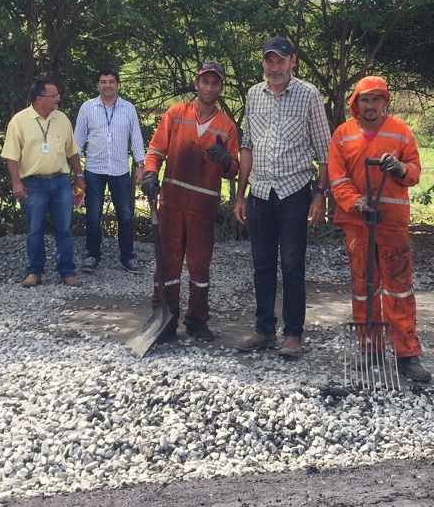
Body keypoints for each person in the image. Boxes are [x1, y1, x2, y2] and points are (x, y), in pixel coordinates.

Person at [327, 75, 431, 382]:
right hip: (358, 222)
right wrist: (358, 203)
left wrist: (399, 168)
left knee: (399, 286)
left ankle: (407, 353)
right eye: (364, 100)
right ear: (355, 103)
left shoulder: (399, 131)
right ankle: (368, 347)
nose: (370, 105)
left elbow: (414, 170)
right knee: (364, 286)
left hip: (392, 223)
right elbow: (337, 177)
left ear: (385, 102)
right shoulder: (343, 134)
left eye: (376, 99)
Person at [233, 37, 331, 358]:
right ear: (263, 63)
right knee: (262, 265)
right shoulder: (253, 95)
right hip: (260, 192)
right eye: (269, 61)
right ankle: (264, 330)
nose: (274, 67)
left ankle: (293, 334)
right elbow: (246, 146)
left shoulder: (308, 95)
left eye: (280, 61)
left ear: (293, 62)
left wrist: (320, 195)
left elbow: (325, 151)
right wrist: (240, 194)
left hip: (294, 192)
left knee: (292, 266)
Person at [139, 62, 240, 342]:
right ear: (196, 84)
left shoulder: (226, 126)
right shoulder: (175, 114)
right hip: (171, 203)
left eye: (215, 83)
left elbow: (234, 170)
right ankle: (165, 319)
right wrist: (150, 173)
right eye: (204, 82)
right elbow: (156, 150)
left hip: (203, 208)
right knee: (167, 264)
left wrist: (227, 160)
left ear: (220, 88)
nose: (209, 87)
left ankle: (197, 320)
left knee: (199, 266)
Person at [1, 78, 86, 288]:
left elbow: (72, 150)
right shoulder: (19, 121)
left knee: (64, 229)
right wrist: (16, 183)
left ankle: (67, 271)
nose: (58, 99)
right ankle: (34, 272)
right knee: (35, 229)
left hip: (60, 181)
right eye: (54, 95)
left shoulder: (62, 119)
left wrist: (79, 176)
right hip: (33, 183)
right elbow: (11, 156)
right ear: (40, 98)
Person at [74, 68, 147, 273]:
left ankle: (127, 257)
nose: (107, 85)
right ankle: (92, 255)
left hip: (120, 170)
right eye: (103, 81)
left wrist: (141, 166)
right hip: (94, 171)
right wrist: (77, 172)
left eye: (111, 81)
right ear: (97, 85)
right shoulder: (87, 108)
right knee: (93, 216)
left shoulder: (128, 108)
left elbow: (137, 139)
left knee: (125, 215)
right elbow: (77, 141)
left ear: (118, 85)